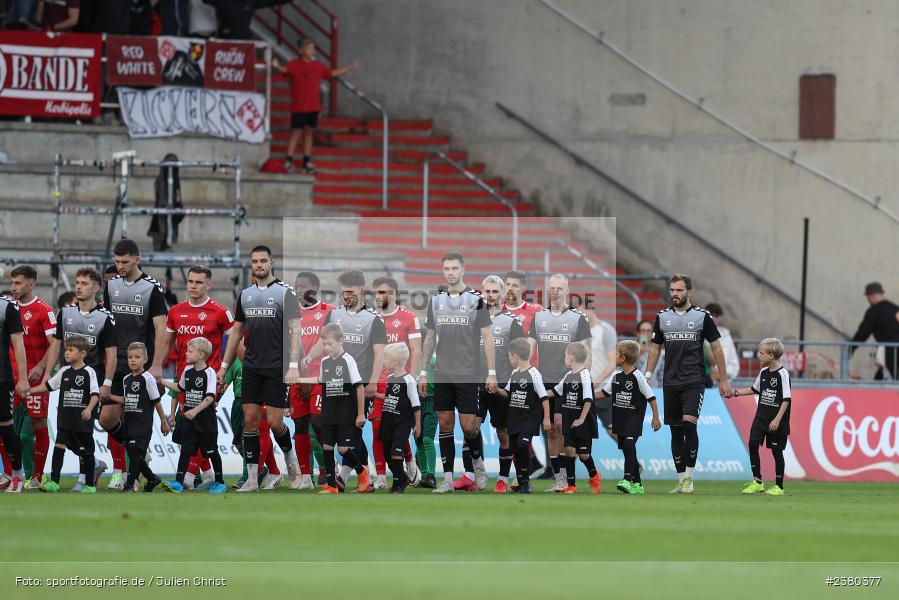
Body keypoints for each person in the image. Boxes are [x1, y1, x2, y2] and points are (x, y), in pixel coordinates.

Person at [217, 245, 303, 492]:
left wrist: (294, 365)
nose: (258, 265)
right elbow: (236, 332)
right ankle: (253, 479)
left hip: (277, 367)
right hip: (252, 366)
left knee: (276, 423)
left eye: (263, 261)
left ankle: (291, 462)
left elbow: (295, 330)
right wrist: (224, 366)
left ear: (272, 262)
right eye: (254, 261)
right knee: (251, 422)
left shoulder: (285, 293)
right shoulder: (245, 295)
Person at [644, 274, 732, 494]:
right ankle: (681, 479)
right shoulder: (662, 317)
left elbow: (717, 348)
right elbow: (655, 348)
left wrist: (723, 379)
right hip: (670, 382)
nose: (674, 294)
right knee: (675, 431)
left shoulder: (703, 317)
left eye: (679, 290)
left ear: (689, 292)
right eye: (672, 290)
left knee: (689, 426)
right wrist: (646, 376)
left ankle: (689, 479)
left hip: (694, 380)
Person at [419, 252, 496, 494]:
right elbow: (430, 337)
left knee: (469, 426)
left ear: (463, 270)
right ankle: (448, 480)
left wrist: (491, 372)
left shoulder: (477, 300)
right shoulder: (436, 301)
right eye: (446, 269)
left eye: (454, 268)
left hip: (469, 372)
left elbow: (487, 337)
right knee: (445, 423)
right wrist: (423, 372)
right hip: (442, 371)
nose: (450, 272)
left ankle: (478, 464)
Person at [303, 269, 384, 492]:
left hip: (359, 385)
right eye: (343, 292)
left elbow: (379, 354)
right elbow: (323, 341)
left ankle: (349, 478)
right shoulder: (335, 315)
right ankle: (350, 478)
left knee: (353, 434)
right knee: (338, 432)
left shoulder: (373, 320)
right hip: (334, 385)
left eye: (349, 291)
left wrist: (373, 382)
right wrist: (310, 356)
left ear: (361, 290)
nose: (346, 295)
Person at [102, 239, 169, 490]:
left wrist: (157, 365)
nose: (120, 266)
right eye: (117, 261)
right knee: (106, 419)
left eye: (125, 261)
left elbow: (160, 327)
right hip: (116, 362)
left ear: (137, 260)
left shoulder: (152, 288)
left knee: (135, 422)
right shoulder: (111, 286)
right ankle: (140, 459)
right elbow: (108, 323)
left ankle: (134, 472)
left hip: (141, 365)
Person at [159, 265, 233, 489]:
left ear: (208, 285)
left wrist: (228, 374)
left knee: (203, 434)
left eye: (199, 282)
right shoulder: (176, 311)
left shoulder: (221, 312)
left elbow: (235, 343)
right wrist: (156, 368)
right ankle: (200, 476)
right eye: (190, 281)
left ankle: (200, 478)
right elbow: (167, 344)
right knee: (188, 436)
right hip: (185, 382)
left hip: (209, 384)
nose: (193, 286)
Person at [43, 268, 116, 492]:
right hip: (68, 382)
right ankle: (93, 465)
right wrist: (48, 374)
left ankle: (85, 478)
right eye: (77, 282)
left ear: (95, 288)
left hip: (91, 383)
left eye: (84, 283)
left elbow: (111, 353)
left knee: (84, 432)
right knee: (67, 429)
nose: (78, 286)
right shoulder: (65, 313)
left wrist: (107, 384)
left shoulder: (105, 317)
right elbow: (56, 344)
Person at [527, 273, 592, 493]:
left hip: (568, 382)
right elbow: (529, 349)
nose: (554, 292)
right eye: (551, 288)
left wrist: (583, 379)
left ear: (567, 290)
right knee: (551, 430)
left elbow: (586, 352)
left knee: (562, 429)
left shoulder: (578, 318)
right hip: (545, 381)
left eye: (559, 288)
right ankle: (560, 479)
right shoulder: (539, 317)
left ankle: (572, 479)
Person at [461, 274, 523, 493]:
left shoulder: (512, 322)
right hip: (474, 383)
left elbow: (519, 357)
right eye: (487, 291)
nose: (491, 295)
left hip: (501, 385)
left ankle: (503, 478)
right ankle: (472, 474)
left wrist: (508, 384)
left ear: (503, 294)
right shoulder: (471, 319)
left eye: (495, 291)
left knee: (503, 433)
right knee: (469, 428)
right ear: (481, 292)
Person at [296, 323, 367, 494]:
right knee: (326, 447)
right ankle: (331, 485)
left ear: (341, 341)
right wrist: (298, 379)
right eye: (324, 344)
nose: (327, 348)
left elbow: (359, 387)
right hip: (328, 412)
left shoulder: (348, 361)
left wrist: (360, 414)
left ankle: (362, 473)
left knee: (343, 449)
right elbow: (320, 380)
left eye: (330, 344)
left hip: (345, 414)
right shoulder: (325, 362)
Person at [272, 38, 362, 174]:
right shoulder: (294, 64)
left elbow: (332, 73)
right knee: (295, 133)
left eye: (313, 48)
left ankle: (306, 161)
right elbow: (284, 69)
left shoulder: (318, 66)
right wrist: (276, 65)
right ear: (301, 51)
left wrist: (350, 67)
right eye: (309, 48)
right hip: (299, 107)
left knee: (309, 133)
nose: (312, 51)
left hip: (313, 107)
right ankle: (288, 161)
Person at [8, 265, 56, 489]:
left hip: (34, 381)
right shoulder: (8, 308)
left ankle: (36, 476)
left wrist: (41, 366)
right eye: (12, 283)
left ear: (31, 283)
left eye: (18, 283)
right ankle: (10, 475)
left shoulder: (43, 310)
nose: (13, 287)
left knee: (36, 426)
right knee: (3, 424)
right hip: (10, 377)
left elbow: (55, 344)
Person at [159, 337, 226, 494]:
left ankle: (220, 482)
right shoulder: (187, 371)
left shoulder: (209, 373)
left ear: (201, 354)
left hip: (205, 421)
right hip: (189, 420)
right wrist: (161, 380)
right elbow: (179, 387)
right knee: (186, 450)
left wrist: (195, 411)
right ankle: (178, 482)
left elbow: (210, 397)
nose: (186, 354)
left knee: (211, 451)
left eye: (190, 351)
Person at [371, 276, 420, 489]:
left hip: (400, 383)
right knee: (377, 429)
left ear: (392, 293)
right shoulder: (372, 318)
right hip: (378, 382)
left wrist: (414, 378)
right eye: (376, 293)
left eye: (382, 292)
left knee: (398, 430)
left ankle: (409, 462)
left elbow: (416, 349)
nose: (378, 296)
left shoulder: (409, 317)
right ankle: (381, 475)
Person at [32, 337, 99, 493]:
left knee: (86, 451)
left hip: (82, 421)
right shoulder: (64, 372)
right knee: (59, 446)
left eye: (70, 350)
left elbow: (95, 394)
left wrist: (89, 409)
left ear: (82, 353)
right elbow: (49, 386)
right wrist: (29, 391)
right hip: (65, 420)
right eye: (66, 350)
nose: (67, 353)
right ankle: (54, 483)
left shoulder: (89, 372)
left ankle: (90, 485)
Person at [597, 340, 661, 495]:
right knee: (628, 451)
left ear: (623, 358)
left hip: (633, 419)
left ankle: (626, 480)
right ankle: (638, 485)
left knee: (629, 446)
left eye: (617, 354)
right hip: (620, 419)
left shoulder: (638, 377)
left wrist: (656, 418)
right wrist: (586, 396)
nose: (615, 357)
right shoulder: (616, 376)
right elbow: (604, 394)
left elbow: (651, 397)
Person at [731, 338, 792, 496]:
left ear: (771, 355)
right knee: (752, 445)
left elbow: (786, 399)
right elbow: (754, 389)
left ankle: (779, 486)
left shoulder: (783, 374)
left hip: (776, 420)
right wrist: (735, 393)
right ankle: (757, 482)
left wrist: (777, 419)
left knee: (776, 452)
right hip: (761, 418)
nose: (759, 355)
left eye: (761, 353)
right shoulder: (763, 372)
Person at [291, 271, 334, 488]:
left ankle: (328, 469)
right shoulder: (291, 314)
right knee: (299, 424)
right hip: (296, 376)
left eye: (303, 286)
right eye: (296, 286)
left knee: (318, 423)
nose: (299, 289)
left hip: (321, 376)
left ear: (315, 288)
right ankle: (306, 476)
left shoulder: (329, 312)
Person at [494, 338, 550, 494]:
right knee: (515, 449)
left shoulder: (534, 374)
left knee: (522, 445)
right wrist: (496, 389)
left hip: (529, 418)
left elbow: (544, 397)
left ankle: (525, 482)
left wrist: (546, 418)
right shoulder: (514, 373)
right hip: (514, 419)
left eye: (510, 356)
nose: (509, 359)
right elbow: (507, 392)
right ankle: (521, 480)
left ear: (516, 355)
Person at [548, 341, 602, 494]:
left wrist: (582, 419)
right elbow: (556, 391)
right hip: (569, 420)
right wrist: (539, 395)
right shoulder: (568, 375)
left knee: (584, 455)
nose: (564, 357)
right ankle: (571, 486)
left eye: (565, 354)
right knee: (570, 450)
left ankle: (594, 474)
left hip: (583, 422)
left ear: (571, 357)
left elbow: (588, 399)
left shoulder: (584, 375)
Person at [121, 342, 167, 493]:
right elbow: (127, 400)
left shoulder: (148, 379)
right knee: (134, 454)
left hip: (143, 424)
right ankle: (152, 478)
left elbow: (157, 402)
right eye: (130, 357)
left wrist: (163, 421)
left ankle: (130, 485)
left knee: (135, 453)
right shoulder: (126, 379)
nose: (133, 360)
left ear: (145, 360)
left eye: (137, 357)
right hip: (129, 423)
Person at [379, 343, 422, 493]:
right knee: (387, 454)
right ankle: (402, 478)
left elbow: (416, 405)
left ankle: (398, 483)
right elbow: (390, 396)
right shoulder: (390, 378)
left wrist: (417, 425)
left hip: (402, 423)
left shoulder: (409, 380)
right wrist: (374, 395)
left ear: (395, 361)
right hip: (388, 421)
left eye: (386, 358)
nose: (384, 360)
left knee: (396, 452)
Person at [0, 291, 30, 493]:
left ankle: (17, 474)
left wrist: (23, 378)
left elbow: (19, 345)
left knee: (5, 427)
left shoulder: (6, 308)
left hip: (1, 377)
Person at [851, 282, 899, 380]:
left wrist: (851, 347)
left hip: (890, 353)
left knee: (890, 380)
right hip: (894, 352)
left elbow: (863, 332)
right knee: (880, 379)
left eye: (868, 298)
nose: (868, 300)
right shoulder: (896, 309)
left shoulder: (874, 311)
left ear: (872, 296)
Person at [585, 307, 617, 443]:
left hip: (604, 391)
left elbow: (613, 362)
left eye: (582, 310)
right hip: (585, 391)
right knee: (578, 432)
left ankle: (633, 462)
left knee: (612, 430)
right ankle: (566, 465)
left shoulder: (605, 330)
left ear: (590, 309)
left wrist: (597, 381)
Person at [706, 303, 740, 381]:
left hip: (723, 376)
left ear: (720, 317)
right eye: (711, 315)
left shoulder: (725, 334)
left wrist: (719, 372)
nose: (713, 318)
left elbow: (726, 356)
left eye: (716, 316)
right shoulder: (700, 332)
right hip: (705, 376)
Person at [635, 319, 664, 387]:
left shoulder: (658, 353)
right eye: (643, 330)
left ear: (652, 334)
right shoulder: (630, 350)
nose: (645, 333)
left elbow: (661, 376)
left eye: (648, 331)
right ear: (638, 333)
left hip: (653, 390)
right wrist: (640, 353)